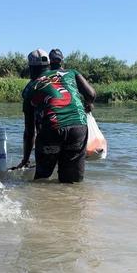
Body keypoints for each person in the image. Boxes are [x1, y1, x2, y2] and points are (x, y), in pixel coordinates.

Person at [12, 48, 96, 183]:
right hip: (78, 127)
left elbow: (29, 131)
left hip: (51, 129)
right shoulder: (70, 73)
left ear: (31, 68)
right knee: (72, 182)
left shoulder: (30, 88)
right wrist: (88, 104)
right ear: (49, 64)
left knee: (41, 181)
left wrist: (26, 159)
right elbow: (91, 94)